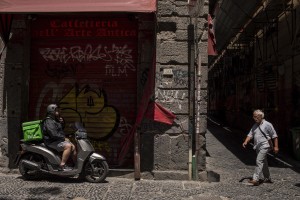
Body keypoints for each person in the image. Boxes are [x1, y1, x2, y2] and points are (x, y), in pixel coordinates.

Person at [242, 109, 279, 186]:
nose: (254, 118)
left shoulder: (268, 124)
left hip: (265, 146)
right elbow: (250, 134)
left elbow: (274, 136)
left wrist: (276, 147)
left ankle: (255, 179)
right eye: (253, 116)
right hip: (257, 146)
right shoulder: (255, 125)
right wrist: (246, 141)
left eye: (256, 116)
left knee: (259, 161)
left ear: (261, 116)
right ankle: (268, 178)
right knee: (263, 162)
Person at [43, 104, 77, 171]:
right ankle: (62, 165)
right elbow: (53, 134)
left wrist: (62, 122)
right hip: (51, 141)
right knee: (68, 146)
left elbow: (60, 130)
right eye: (56, 110)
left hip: (56, 140)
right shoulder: (49, 121)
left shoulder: (54, 120)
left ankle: (76, 165)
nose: (58, 111)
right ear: (52, 111)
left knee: (73, 146)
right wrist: (63, 138)